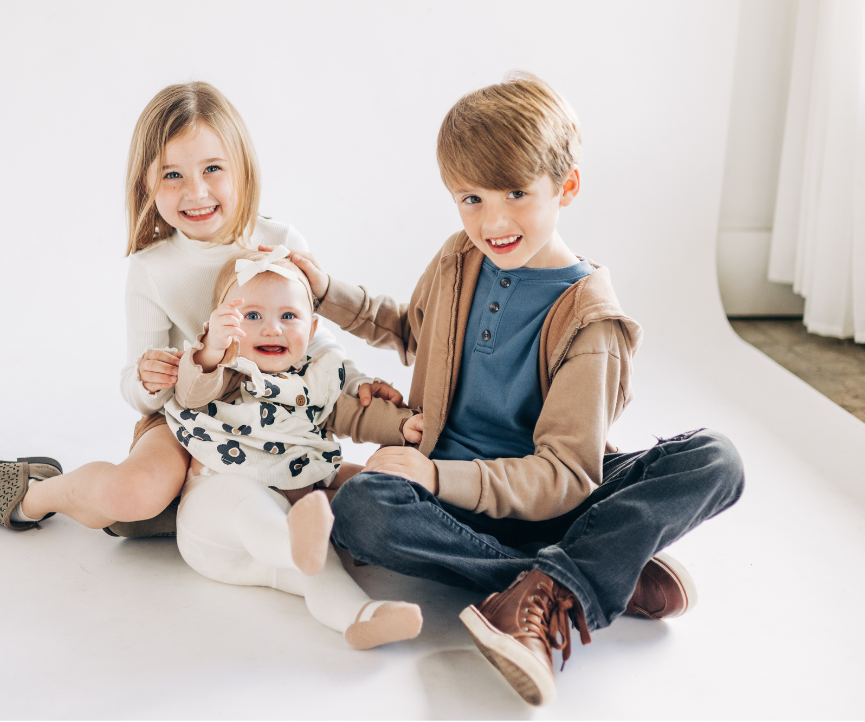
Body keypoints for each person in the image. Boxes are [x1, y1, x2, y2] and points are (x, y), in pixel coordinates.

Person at [284, 75, 745, 706]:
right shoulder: (459, 260)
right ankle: (585, 572)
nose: (493, 220)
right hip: (449, 497)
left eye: (516, 193)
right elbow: (410, 330)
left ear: (567, 187)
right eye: (470, 199)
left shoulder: (590, 321)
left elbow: (565, 477)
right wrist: (324, 291)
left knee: (715, 458)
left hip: (548, 498)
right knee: (364, 506)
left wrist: (434, 478)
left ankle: (554, 581)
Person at [0, 82, 401, 534]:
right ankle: (30, 494)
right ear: (147, 184)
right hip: (187, 414)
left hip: (272, 414)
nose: (195, 192)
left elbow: (314, 338)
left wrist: (357, 384)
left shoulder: (279, 242)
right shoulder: (153, 269)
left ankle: (175, 513)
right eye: (173, 175)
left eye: (212, 169)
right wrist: (151, 381)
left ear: (242, 168)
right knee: (135, 496)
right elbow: (135, 385)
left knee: (335, 498)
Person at [171, 247, 424, 649]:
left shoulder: (314, 383)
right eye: (251, 316)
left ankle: (361, 617)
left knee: (320, 569)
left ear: (312, 329)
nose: (272, 329)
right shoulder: (228, 371)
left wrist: (404, 426)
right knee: (244, 500)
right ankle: (294, 541)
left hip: (279, 549)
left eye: (288, 316)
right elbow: (191, 391)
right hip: (216, 526)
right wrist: (212, 349)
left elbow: (352, 415)